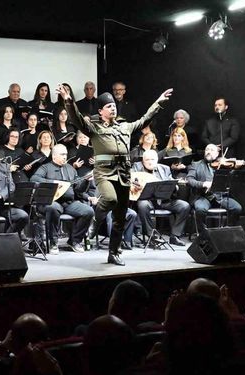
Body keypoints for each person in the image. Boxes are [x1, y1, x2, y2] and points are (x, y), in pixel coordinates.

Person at [61, 84, 173, 266]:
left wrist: (158, 103)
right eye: (108, 106)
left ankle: (113, 252)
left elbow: (145, 120)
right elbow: (77, 119)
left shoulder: (125, 127)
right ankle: (95, 222)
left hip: (123, 174)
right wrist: (68, 101)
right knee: (110, 199)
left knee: (120, 217)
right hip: (104, 172)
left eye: (114, 105)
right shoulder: (94, 128)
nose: (113, 107)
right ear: (100, 111)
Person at [30, 144, 94, 254]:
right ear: (54, 156)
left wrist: (86, 181)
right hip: (52, 201)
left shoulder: (70, 168)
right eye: (62, 154)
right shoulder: (45, 167)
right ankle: (53, 242)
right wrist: (53, 182)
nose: (65, 157)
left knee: (88, 211)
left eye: (66, 154)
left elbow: (78, 189)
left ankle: (74, 241)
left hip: (69, 202)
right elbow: (34, 179)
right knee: (53, 208)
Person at [131, 150, 189, 246]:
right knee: (143, 205)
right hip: (146, 200)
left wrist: (175, 186)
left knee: (184, 206)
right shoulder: (136, 167)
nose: (150, 162)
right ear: (143, 161)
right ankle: (151, 236)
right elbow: (132, 183)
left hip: (164, 200)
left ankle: (175, 236)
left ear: (157, 160)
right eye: (147, 160)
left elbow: (172, 182)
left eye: (153, 159)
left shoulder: (164, 168)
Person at [186, 143, 243, 232]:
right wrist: (203, 184)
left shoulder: (223, 165)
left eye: (212, 150)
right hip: (203, 197)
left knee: (237, 208)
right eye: (207, 149)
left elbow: (231, 180)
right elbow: (189, 180)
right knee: (200, 209)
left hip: (220, 197)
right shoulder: (195, 165)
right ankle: (204, 235)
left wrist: (235, 169)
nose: (209, 152)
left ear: (217, 154)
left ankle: (225, 231)